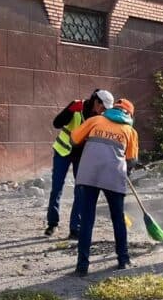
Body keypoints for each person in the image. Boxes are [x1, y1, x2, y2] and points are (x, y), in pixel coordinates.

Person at [70, 98, 139, 276]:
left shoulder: (95, 120)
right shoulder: (130, 131)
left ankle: (82, 266)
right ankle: (123, 260)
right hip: (114, 176)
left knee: (86, 220)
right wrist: (126, 169)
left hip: (88, 175)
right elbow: (131, 160)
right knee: (118, 218)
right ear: (129, 114)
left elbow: (74, 139)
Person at [45, 89, 114, 237]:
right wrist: (69, 111)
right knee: (57, 188)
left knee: (80, 190)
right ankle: (52, 224)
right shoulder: (77, 106)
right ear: (96, 101)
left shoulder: (100, 118)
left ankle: (75, 228)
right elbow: (56, 124)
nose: (103, 111)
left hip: (81, 156)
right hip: (63, 151)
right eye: (102, 107)